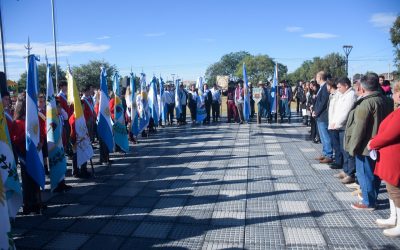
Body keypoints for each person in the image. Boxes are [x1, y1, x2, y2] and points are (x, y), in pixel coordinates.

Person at [344, 73, 393, 210]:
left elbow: (359, 129)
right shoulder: (386, 100)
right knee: (375, 174)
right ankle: (372, 197)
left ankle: (368, 202)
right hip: (380, 144)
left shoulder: (366, 103)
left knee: (365, 174)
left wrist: (352, 147)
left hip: (365, 146)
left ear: (363, 88)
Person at [370, 81, 400, 236]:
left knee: (396, 190)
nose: (392, 95)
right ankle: (393, 217)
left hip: (395, 157)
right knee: (390, 188)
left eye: (395, 92)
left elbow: (391, 134)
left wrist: (372, 143)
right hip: (388, 156)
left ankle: (399, 224)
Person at [12, 94, 46, 214]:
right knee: (27, 181)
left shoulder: (32, 119)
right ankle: (28, 204)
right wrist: (27, 136)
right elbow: (15, 140)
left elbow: (40, 132)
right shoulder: (17, 122)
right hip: (25, 155)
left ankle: (37, 201)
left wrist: (41, 142)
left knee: (35, 178)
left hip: (36, 153)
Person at [331, 77, 357, 184]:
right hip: (339, 126)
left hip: (345, 126)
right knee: (343, 149)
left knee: (347, 151)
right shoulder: (343, 94)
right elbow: (338, 110)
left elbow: (345, 111)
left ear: (346, 85)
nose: (337, 89)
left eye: (339, 87)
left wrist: (337, 123)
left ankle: (350, 174)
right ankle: (345, 171)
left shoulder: (351, 95)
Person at [313, 71, 333, 163]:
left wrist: (316, 112)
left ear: (320, 78)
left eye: (316, 77)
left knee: (325, 136)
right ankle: (325, 153)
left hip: (323, 116)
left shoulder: (325, 87)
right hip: (319, 116)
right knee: (322, 136)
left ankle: (328, 155)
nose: (315, 79)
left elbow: (323, 102)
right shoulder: (321, 87)